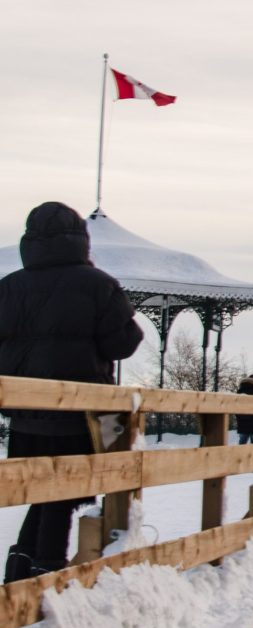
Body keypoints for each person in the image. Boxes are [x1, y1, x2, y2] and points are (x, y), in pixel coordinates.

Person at [0, 201, 143, 581]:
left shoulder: (9, 287)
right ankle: (47, 577)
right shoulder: (97, 284)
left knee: (41, 492)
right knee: (62, 495)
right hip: (80, 413)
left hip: (25, 414)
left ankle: (20, 570)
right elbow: (123, 344)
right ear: (80, 239)